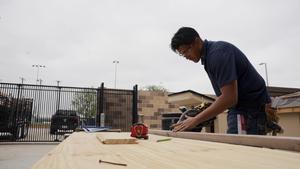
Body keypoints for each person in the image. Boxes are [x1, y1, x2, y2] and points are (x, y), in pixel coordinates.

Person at [170, 27, 272, 135]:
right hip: (241, 107)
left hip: (250, 109)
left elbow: (229, 98)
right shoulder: (209, 57)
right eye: (182, 54)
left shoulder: (217, 54)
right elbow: (226, 96)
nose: (186, 56)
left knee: (240, 148)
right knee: (237, 147)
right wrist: (206, 112)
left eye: (186, 51)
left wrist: (196, 120)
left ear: (196, 42)